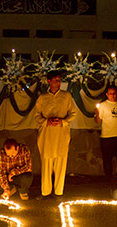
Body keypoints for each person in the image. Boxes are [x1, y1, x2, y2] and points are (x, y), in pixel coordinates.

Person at [34, 70, 76, 198]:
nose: (58, 83)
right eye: (55, 80)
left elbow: (73, 114)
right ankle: (45, 192)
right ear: (49, 81)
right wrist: (46, 122)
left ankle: (59, 192)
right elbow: (37, 115)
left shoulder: (66, 96)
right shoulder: (42, 97)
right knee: (46, 163)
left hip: (61, 133)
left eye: (59, 80)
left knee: (60, 162)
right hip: (47, 134)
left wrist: (62, 121)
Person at [94, 85, 117, 177]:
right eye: (110, 94)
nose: (112, 95)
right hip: (106, 137)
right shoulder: (102, 106)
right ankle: (108, 179)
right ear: (107, 94)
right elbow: (98, 121)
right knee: (107, 160)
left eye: (114, 93)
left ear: (116, 94)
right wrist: (96, 114)